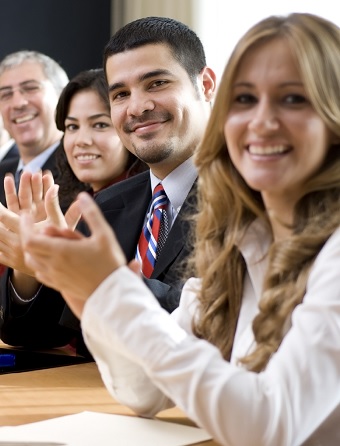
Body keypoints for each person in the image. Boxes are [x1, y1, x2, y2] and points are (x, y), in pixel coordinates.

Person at [20, 12, 340, 445]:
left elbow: (271, 427)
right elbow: (143, 391)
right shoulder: (241, 238)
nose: (261, 122)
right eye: (244, 99)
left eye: (293, 99)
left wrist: (112, 290)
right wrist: (90, 293)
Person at [0, 17, 216, 349]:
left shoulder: (253, 196)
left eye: (157, 83)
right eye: (120, 94)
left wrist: (98, 277)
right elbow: (36, 335)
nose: (138, 107)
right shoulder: (108, 205)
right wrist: (33, 269)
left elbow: (214, 322)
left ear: (206, 85)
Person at [54, 67, 147, 209]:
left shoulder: (151, 212)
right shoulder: (69, 206)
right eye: (72, 127)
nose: (81, 140)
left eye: (100, 125)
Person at [0, 50, 68, 204]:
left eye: (30, 88)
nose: (18, 103)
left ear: (62, 96)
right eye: (6, 94)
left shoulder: (82, 171)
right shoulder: (2, 172)